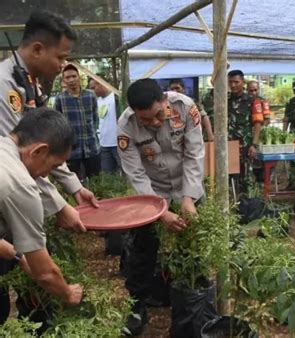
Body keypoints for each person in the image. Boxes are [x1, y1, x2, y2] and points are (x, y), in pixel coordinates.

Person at [117, 79, 204, 335]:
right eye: (146, 120)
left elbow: (194, 155)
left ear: (165, 101)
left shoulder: (186, 108)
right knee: (143, 249)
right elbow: (136, 174)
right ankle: (137, 307)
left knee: (194, 246)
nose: (154, 123)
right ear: (134, 114)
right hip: (152, 193)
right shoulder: (125, 127)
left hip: (187, 185)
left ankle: (192, 300)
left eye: (158, 115)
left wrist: (188, 198)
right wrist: (160, 211)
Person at [0, 11, 97, 232]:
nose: (63, 65)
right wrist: (60, 207)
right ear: (37, 49)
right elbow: (22, 157)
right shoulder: (5, 85)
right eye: (61, 57)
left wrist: (74, 187)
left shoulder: (29, 83)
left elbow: (49, 143)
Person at [0, 108, 83, 324]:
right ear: (38, 151)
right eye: (54, 165)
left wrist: (17, 256)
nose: (48, 175)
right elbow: (45, 273)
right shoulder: (20, 185)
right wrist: (67, 293)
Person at [55, 64, 101, 181]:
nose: (71, 80)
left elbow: (95, 118)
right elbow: (58, 123)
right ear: (64, 80)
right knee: (74, 182)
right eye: (68, 77)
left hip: (91, 147)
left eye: (74, 76)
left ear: (79, 78)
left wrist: (92, 132)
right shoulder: (60, 99)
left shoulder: (90, 95)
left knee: (96, 180)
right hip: (72, 150)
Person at [227, 70, 264, 192]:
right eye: (230, 82)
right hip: (227, 145)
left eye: (236, 82)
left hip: (245, 146)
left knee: (246, 178)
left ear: (242, 82)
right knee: (228, 178)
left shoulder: (252, 100)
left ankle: (246, 204)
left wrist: (254, 144)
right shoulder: (224, 100)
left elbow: (258, 123)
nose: (233, 85)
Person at [89, 77, 121, 173]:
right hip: (104, 144)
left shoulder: (115, 98)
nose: (92, 91)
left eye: (93, 88)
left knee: (125, 173)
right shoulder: (97, 101)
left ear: (101, 84)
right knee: (107, 175)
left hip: (118, 144)